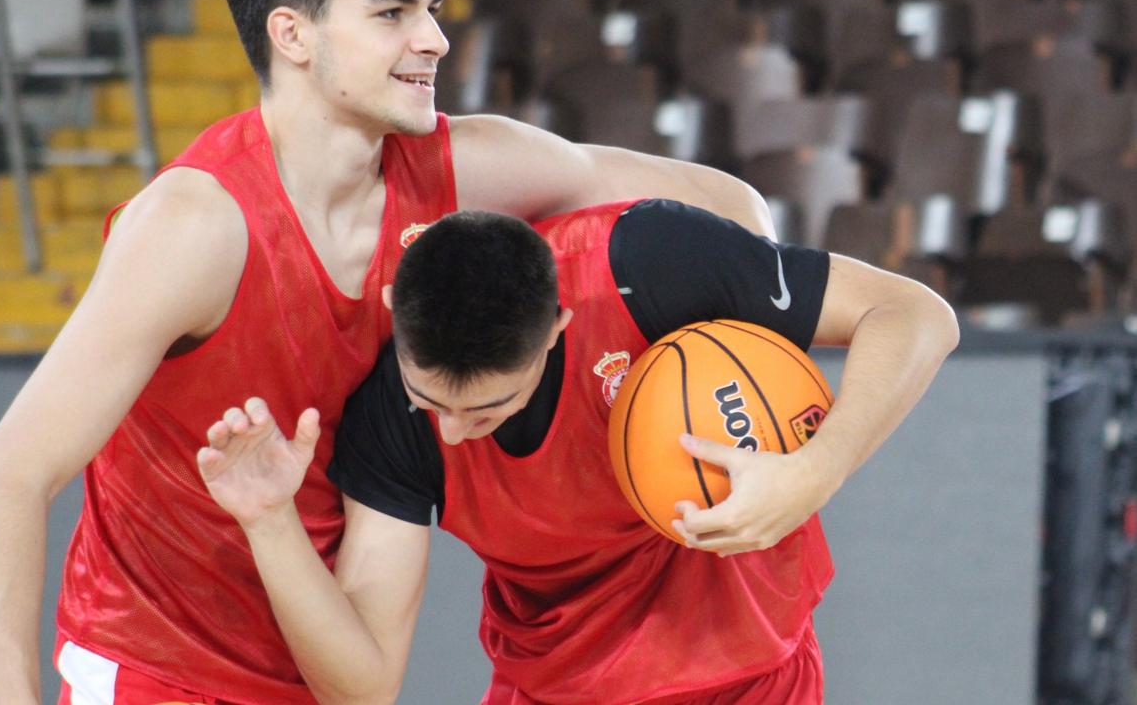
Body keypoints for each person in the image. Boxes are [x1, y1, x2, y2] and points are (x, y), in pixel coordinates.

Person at [0, 0, 776, 705]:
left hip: (319, 671)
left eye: (430, 8)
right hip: (156, 670)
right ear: (293, 35)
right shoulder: (194, 229)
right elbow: (9, 483)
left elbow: (735, 212)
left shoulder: (469, 170)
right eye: (392, 13)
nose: (434, 40)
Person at [199, 200, 960, 704]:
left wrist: (813, 473)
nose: (457, 432)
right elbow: (362, 686)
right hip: (556, 689)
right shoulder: (389, 416)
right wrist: (269, 522)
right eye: (436, 404)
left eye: (490, 406)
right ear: (396, 308)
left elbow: (915, 314)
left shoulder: (644, 263)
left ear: (559, 324)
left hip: (750, 678)